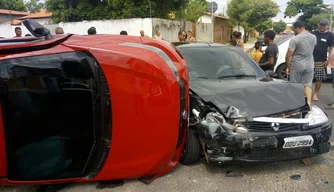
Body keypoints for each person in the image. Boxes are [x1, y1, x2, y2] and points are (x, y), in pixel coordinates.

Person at [285, 21, 317, 106]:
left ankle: (295, 105)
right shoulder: (313, 37)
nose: (294, 31)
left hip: (297, 65)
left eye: (294, 29)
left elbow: (289, 54)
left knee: (295, 86)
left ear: (297, 28)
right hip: (309, 65)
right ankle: (308, 105)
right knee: (307, 85)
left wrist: (287, 67)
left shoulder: (295, 39)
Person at [311, 18, 334, 101]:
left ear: (327, 26)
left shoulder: (330, 35)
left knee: (318, 78)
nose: (322, 26)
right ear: (318, 24)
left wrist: (328, 60)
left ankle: (315, 94)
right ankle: (307, 92)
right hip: (310, 59)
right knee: (308, 77)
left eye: (324, 25)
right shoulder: (313, 33)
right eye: (321, 24)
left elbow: (331, 48)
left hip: (321, 60)